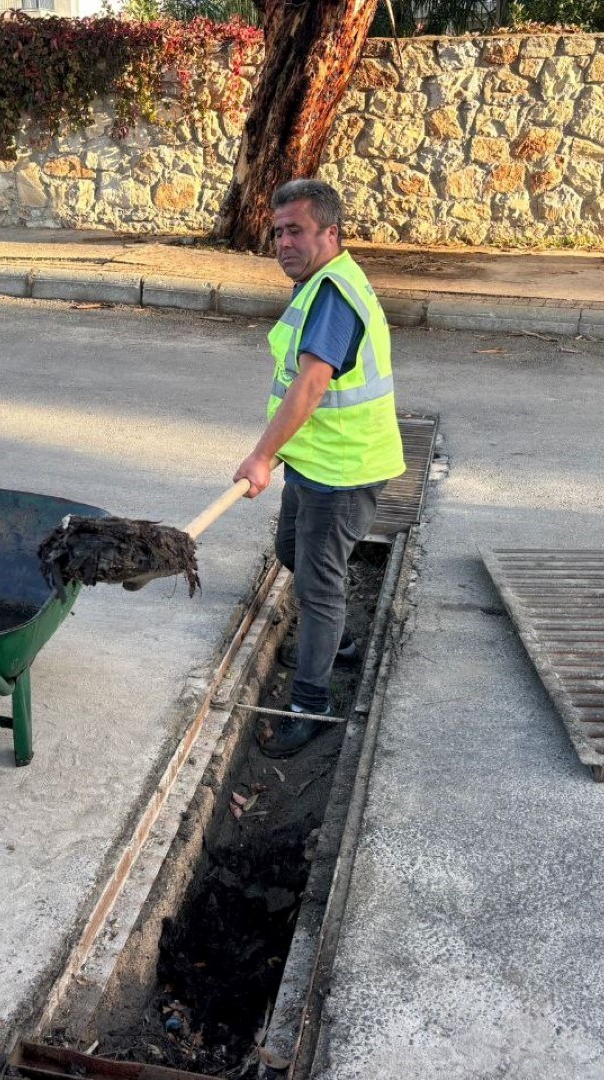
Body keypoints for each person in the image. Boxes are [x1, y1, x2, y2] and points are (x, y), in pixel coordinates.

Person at [234, 179, 405, 758]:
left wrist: (260, 454)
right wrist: (278, 455)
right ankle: (337, 642)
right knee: (292, 551)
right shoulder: (317, 285)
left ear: (330, 233)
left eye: (296, 231)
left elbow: (311, 384)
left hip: (344, 470)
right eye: (278, 232)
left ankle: (310, 702)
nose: (283, 242)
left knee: (317, 580)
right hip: (314, 463)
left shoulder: (332, 294)